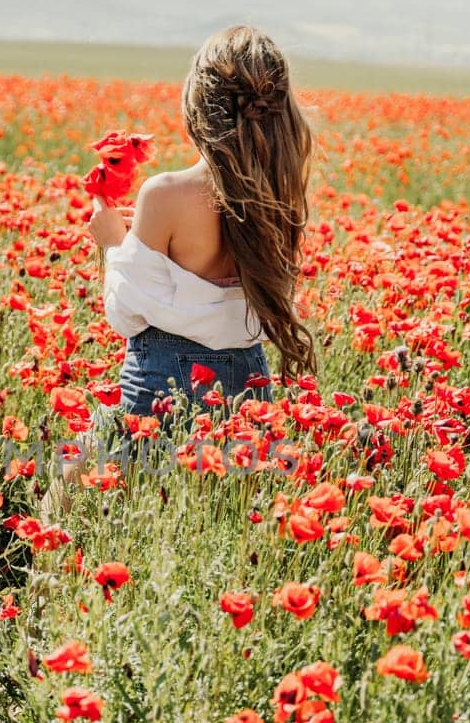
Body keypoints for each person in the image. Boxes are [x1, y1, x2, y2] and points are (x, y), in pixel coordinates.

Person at [87, 24, 316, 429]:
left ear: (197, 105)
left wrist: (112, 244)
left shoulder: (164, 194)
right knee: (227, 490)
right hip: (249, 388)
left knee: (87, 475)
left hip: (162, 392)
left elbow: (126, 315)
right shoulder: (281, 198)